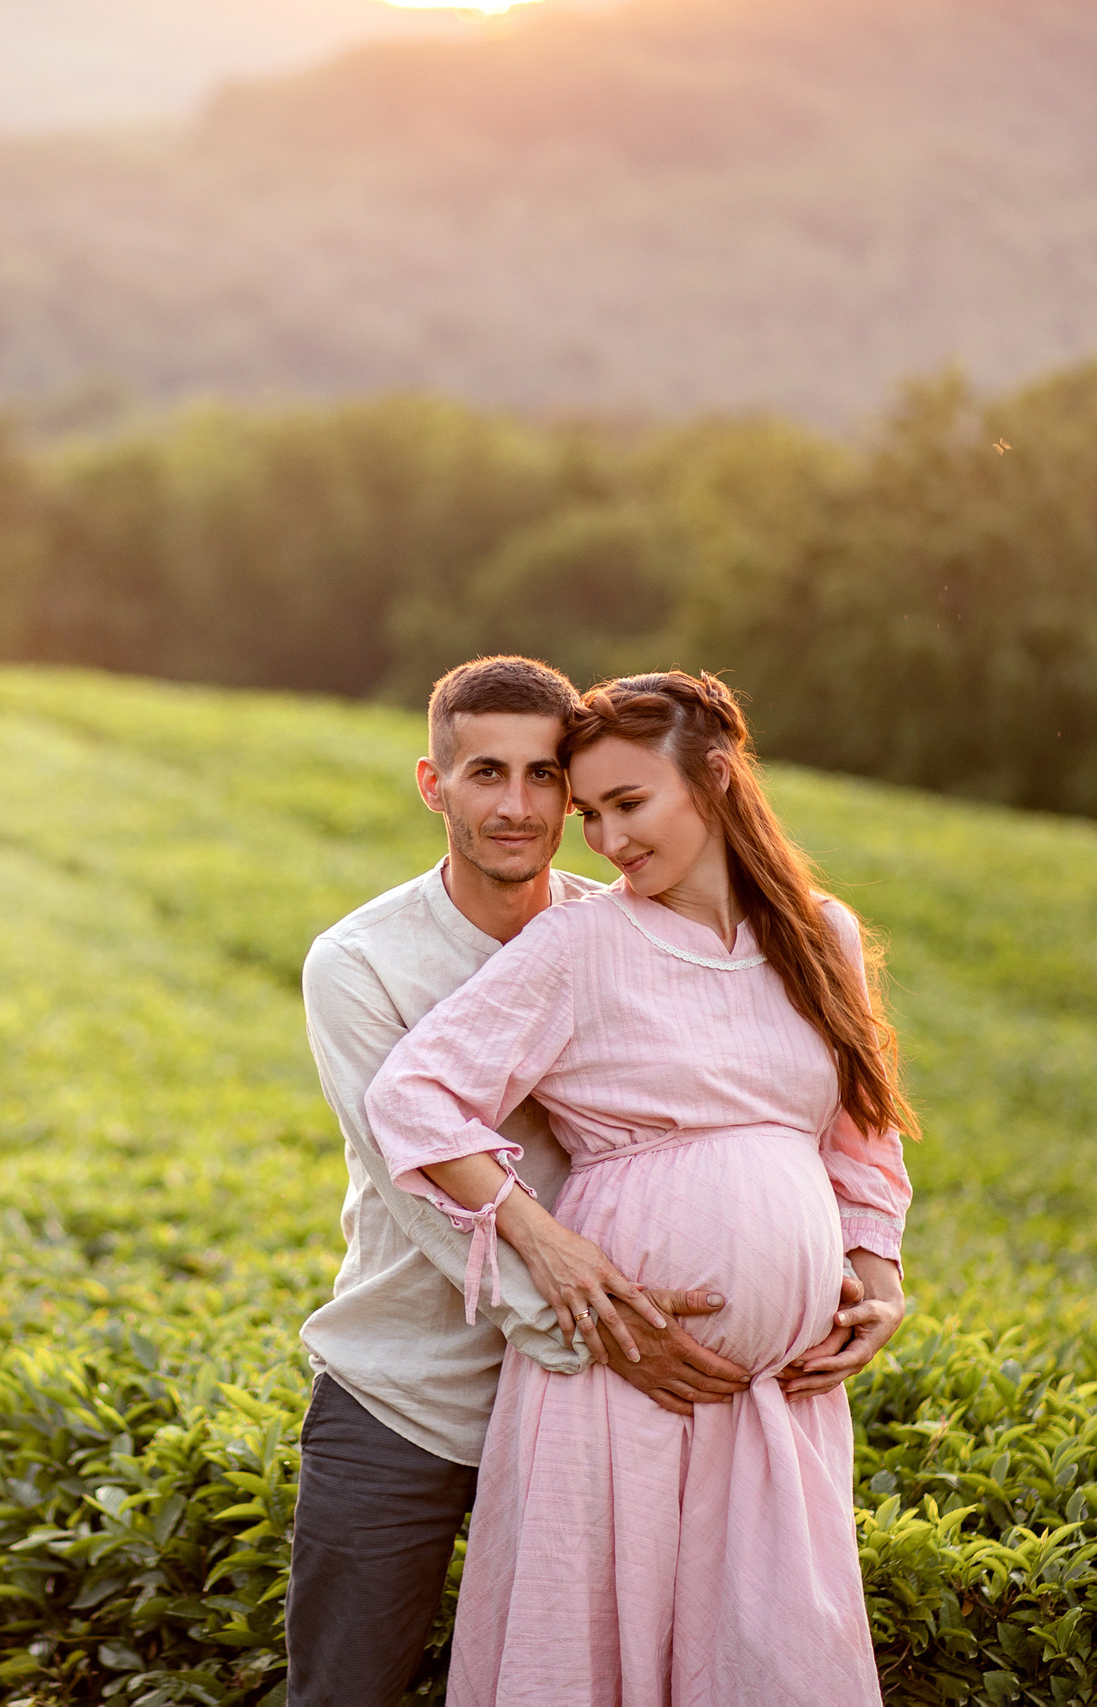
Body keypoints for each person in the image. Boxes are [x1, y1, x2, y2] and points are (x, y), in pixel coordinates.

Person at [365, 670, 915, 1707]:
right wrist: (540, 1240)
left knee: (768, 1664)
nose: (606, 841)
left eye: (628, 804)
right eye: (590, 816)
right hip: (619, 1382)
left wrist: (875, 1276)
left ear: (711, 781)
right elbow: (417, 1098)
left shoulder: (819, 936)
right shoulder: (580, 944)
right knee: (595, 1660)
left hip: (777, 1399)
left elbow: (860, 1136)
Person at [285, 656, 762, 1707]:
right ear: (432, 783)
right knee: (342, 1695)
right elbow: (422, 1197)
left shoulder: (620, 931)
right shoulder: (360, 961)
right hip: (406, 1397)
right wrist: (603, 1326)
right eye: (484, 774)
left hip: (584, 1406)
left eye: (544, 776)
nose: (516, 806)